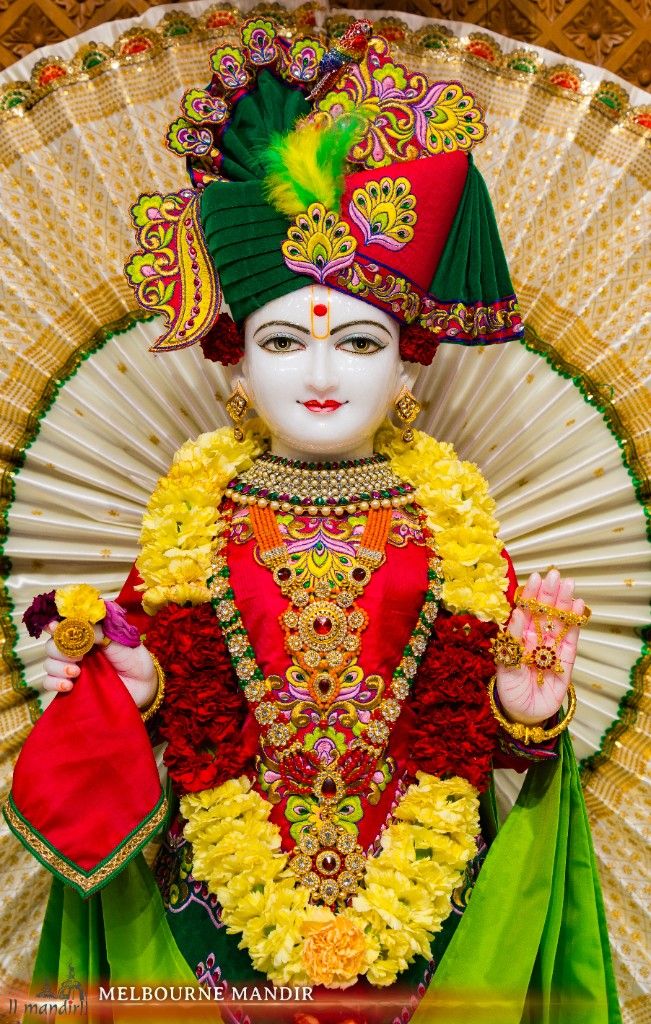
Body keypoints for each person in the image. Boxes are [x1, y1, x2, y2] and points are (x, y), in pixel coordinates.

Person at [7, 18, 620, 1024]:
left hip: (422, 907)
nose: (323, 372)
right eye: (285, 342)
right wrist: (134, 690)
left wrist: (526, 710)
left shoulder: (451, 522)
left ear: (408, 366)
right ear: (238, 366)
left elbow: (478, 740)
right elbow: (165, 702)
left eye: (360, 343)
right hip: (218, 907)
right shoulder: (193, 518)